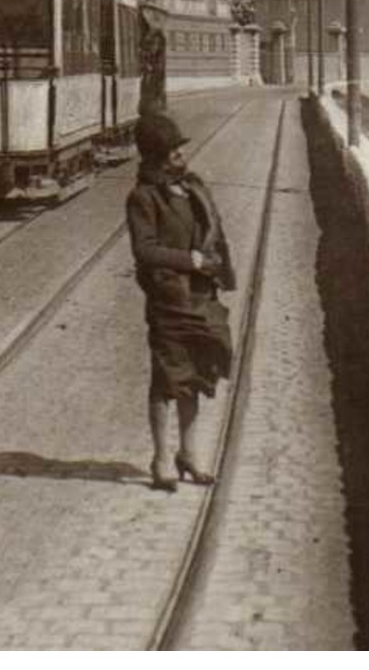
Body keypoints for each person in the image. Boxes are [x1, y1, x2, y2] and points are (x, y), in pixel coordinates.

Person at [125, 113, 235, 492]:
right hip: (169, 298)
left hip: (203, 296)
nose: (181, 157)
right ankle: (160, 458)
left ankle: (189, 453)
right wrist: (190, 261)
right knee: (167, 378)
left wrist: (215, 265)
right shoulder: (143, 197)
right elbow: (145, 250)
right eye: (173, 153)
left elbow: (213, 234)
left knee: (197, 374)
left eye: (180, 150)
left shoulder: (192, 189)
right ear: (156, 158)